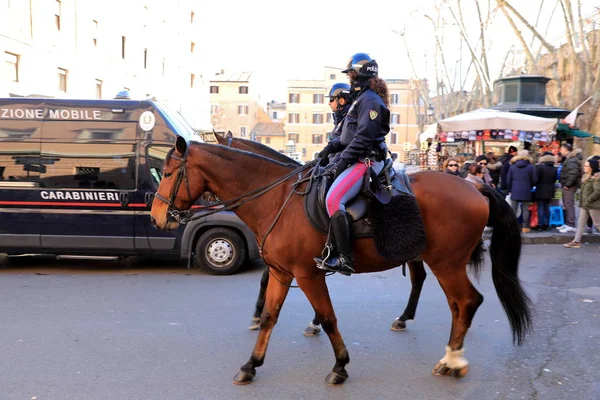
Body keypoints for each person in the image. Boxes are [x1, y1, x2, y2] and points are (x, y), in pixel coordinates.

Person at [314, 53, 390, 276]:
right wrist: (330, 148)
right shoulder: (362, 99)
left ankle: (345, 259)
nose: (349, 78)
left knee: (334, 199)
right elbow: (348, 137)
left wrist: (340, 164)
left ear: (359, 73)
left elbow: (363, 139)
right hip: (356, 157)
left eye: (350, 73)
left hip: (366, 161)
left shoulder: (370, 101)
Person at [564, 156, 600, 248]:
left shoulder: (597, 178)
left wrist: (588, 200)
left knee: (597, 223)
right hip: (585, 204)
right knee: (581, 222)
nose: (584, 167)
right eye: (584, 165)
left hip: (593, 205)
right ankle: (576, 241)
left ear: (592, 167)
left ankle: (576, 241)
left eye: (586, 166)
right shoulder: (586, 176)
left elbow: (597, 192)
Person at [507, 150, 537, 233]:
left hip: (514, 190)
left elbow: (508, 180)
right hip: (526, 190)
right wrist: (529, 186)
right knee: (525, 209)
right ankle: (525, 227)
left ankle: (512, 227)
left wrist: (510, 190)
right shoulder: (531, 166)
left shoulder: (512, 166)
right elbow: (534, 179)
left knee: (513, 209)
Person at [558, 143, 583, 233]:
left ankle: (571, 224)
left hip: (569, 186)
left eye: (561, 148)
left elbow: (573, 173)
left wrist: (568, 184)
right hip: (568, 185)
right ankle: (568, 223)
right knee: (567, 204)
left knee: (569, 204)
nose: (560, 150)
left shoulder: (572, 160)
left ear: (565, 149)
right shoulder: (570, 159)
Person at [532, 152, 558, 231]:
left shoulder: (539, 167)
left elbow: (536, 179)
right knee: (547, 208)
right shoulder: (554, 168)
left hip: (540, 189)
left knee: (540, 207)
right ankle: (547, 224)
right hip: (550, 190)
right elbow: (554, 180)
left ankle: (540, 224)